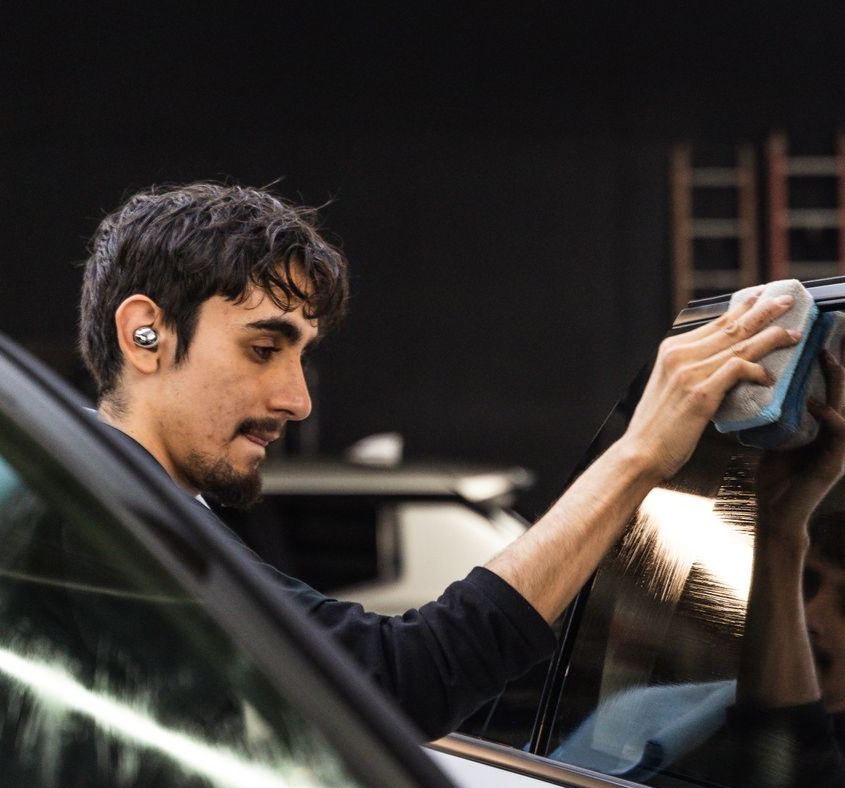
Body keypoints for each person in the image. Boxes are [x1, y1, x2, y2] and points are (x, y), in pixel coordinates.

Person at [75, 181, 803, 740]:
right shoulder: (101, 536)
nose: (296, 399)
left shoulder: (110, 518)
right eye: (264, 349)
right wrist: (639, 455)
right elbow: (403, 681)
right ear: (146, 334)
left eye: (300, 356)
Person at [556, 332, 845, 788]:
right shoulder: (646, 713)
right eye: (805, 583)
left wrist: (783, 529)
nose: (813, 615)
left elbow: (797, 783)